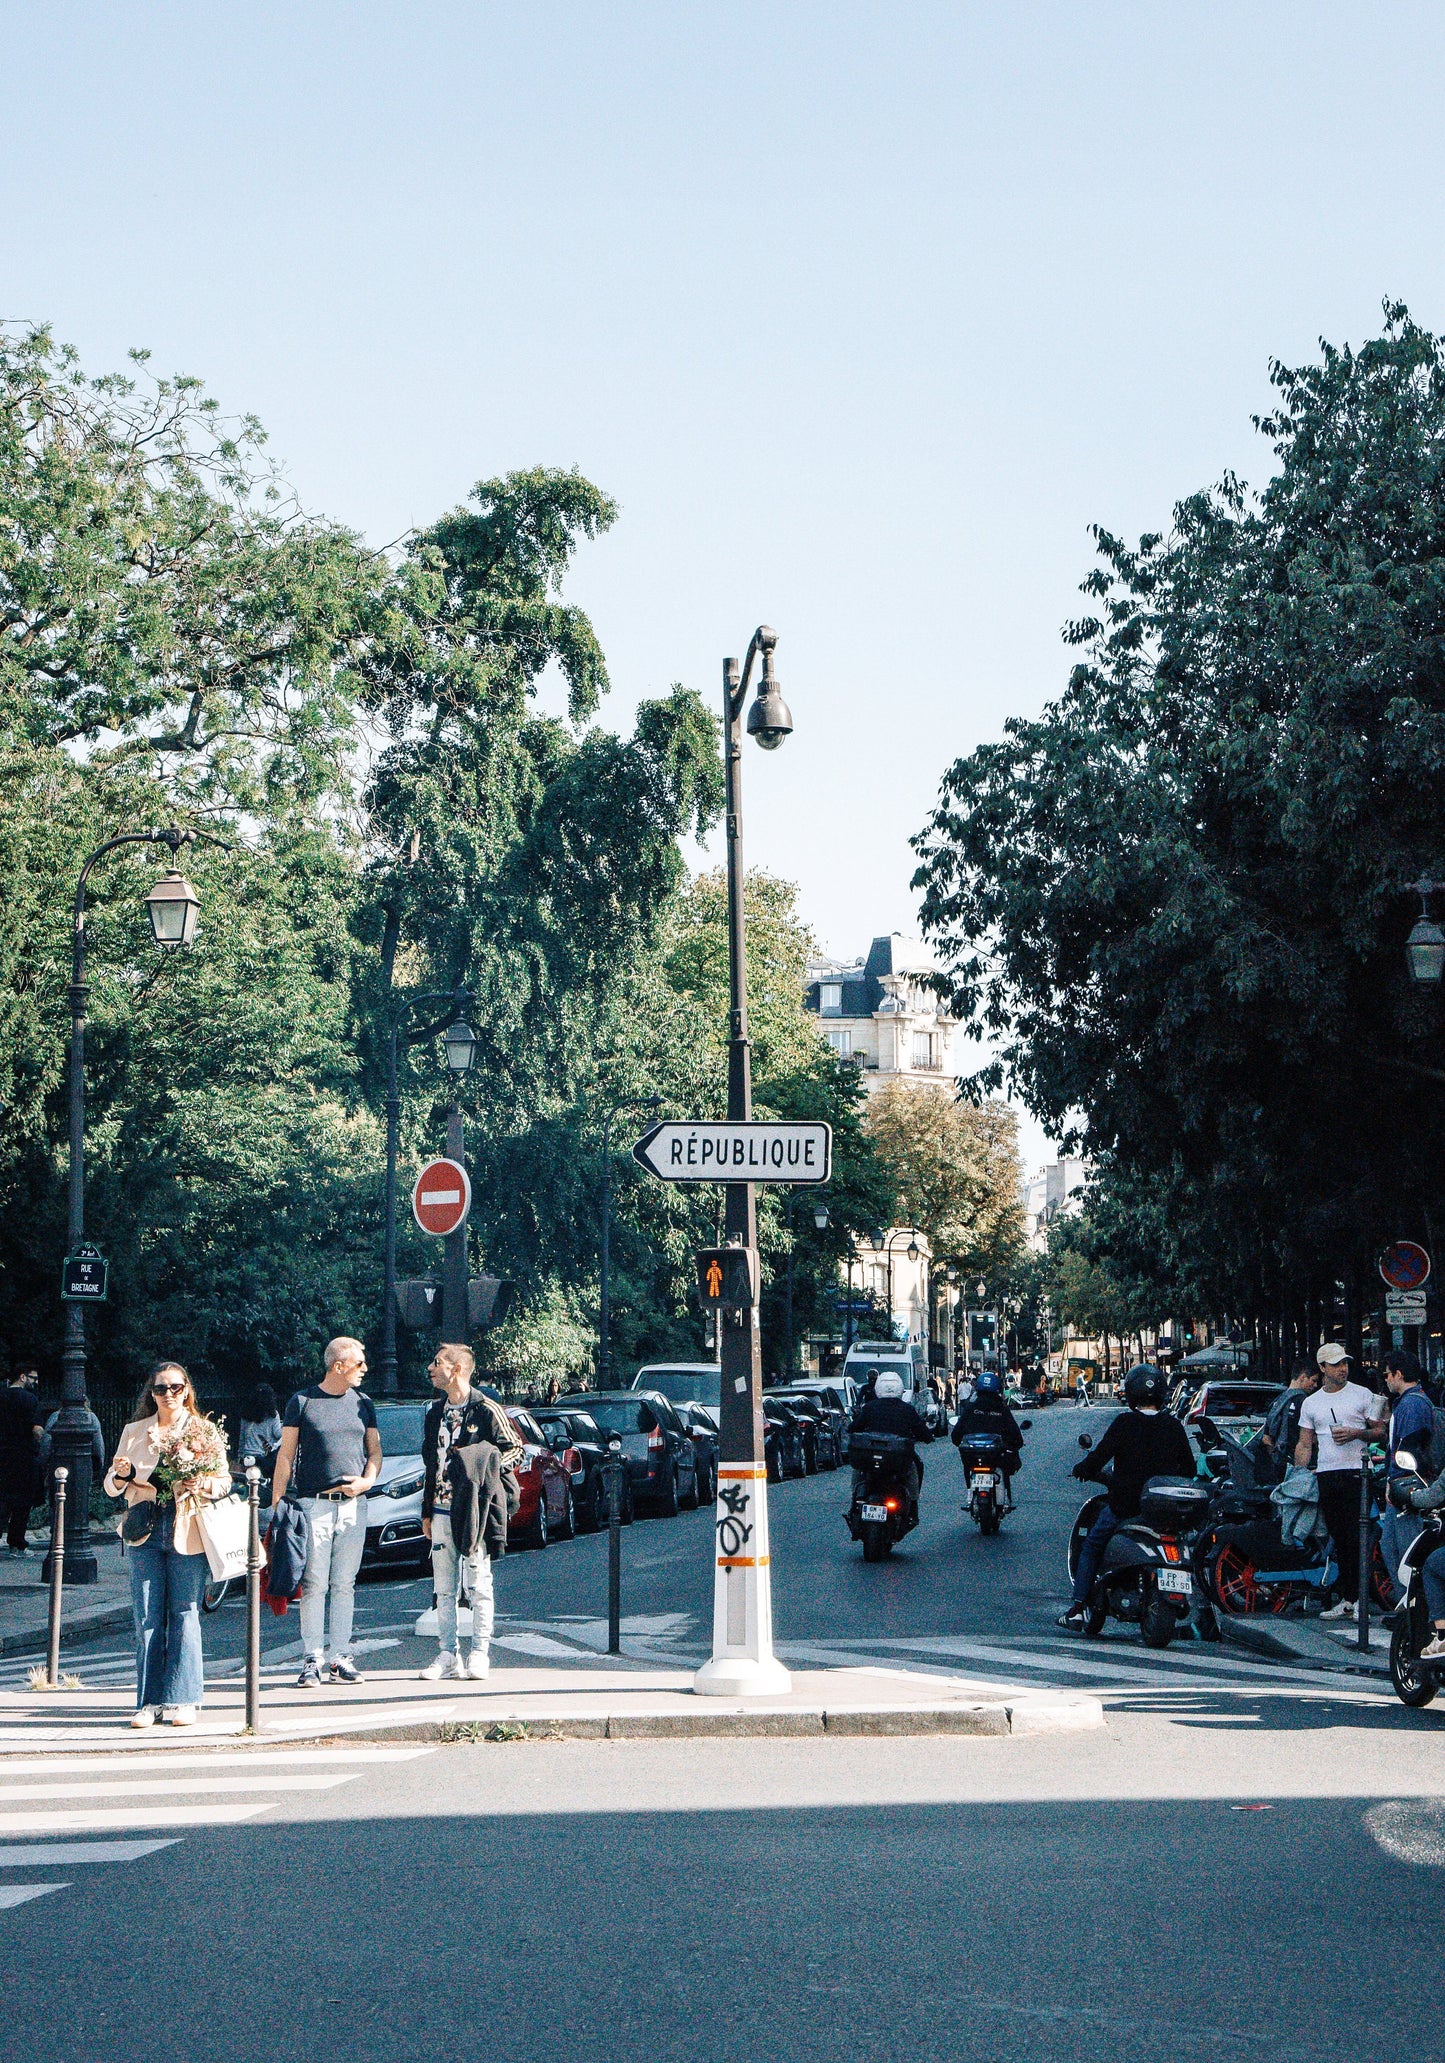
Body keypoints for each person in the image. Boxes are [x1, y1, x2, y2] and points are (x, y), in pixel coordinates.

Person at [105, 1361, 231, 1728]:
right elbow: (112, 1487)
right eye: (161, 1389)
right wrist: (121, 1475)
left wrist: (202, 1484)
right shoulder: (135, 1431)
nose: (169, 1395)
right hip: (144, 1530)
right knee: (146, 1615)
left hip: (187, 1528)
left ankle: (184, 1699)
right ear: (152, 1394)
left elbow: (223, 1482)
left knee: (184, 1612)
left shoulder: (203, 1430)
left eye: (176, 1387)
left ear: (187, 1390)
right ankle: (149, 1702)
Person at [272, 1336, 382, 1688]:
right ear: (338, 1366)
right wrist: (276, 1505)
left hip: (353, 1504)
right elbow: (285, 1455)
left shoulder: (363, 1403)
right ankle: (312, 1659)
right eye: (359, 1363)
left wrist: (366, 1482)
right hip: (313, 1504)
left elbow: (375, 1453)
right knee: (314, 1583)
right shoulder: (302, 1402)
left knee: (344, 1584)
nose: (365, 1369)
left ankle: (340, 1657)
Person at [1059, 1364, 1196, 1631]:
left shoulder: (1125, 1423)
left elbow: (1099, 1457)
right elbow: (1189, 1469)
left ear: (1131, 1394)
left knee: (1091, 1546)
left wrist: (1083, 1470)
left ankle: (1078, 1606)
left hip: (1125, 1507)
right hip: (1164, 1513)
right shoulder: (1173, 1426)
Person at [418, 1343, 524, 1683]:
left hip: (474, 1510)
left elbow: (516, 1450)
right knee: (443, 1587)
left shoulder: (486, 1409)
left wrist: (486, 1469)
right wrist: (425, 1511)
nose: (431, 1369)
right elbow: (430, 1465)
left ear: (457, 1369)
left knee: (478, 1583)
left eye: (438, 1363)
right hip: (440, 1509)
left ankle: (480, 1652)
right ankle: (448, 1653)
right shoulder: (434, 1413)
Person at [1294, 1341, 1376, 1619]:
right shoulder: (1311, 1403)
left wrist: (1356, 1433)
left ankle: (1360, 1598)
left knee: (1357, 1536)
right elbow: (1305, 1443)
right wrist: (1299, 1473)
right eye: (1336, 1364)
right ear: (1322, 1368)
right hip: (1327, 1473)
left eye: (1345, 1363)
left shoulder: (1362, 1394)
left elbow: (1380, 1430)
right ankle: (1348, 1597)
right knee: (1339, 1537)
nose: (1343, 1369)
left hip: (1357, 1470)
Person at [1376, 1348, 1436, 1607]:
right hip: (1405, 1486)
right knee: (1392, 1546)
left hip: (1407, 1488)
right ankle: (1407, 1605)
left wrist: (1394, 1482)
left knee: (1404, 1550)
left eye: (1388, 1375)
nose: (1386, 1380)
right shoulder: (1413, 1401)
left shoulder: (1412, 1404)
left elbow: (1407, 1449)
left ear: (1398, 1374)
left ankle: (1412, 1607)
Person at [850, 1371, 933, 1513]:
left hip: (874, 1455)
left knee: (859, 1468)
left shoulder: (870, 1408)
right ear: (900, 1389)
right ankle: (913, 1504)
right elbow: (922, 1432)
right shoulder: (907, 1409)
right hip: (897, 1458)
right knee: (915, 1466)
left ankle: (854, 1499)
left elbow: (853, 1428)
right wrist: (927, 1437)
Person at [951, 1369, 1024, 1502]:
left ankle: (970, 1490)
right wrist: (1015, 1444)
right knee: (1004, 1466)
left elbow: (956, 1434)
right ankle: (1006, 1497)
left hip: (973, 1455)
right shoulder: (1002, 1409)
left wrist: (959, 1441)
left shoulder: (971, 1408)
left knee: (967, 1463)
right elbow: (1015, 1435)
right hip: (995, 1457)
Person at [0, 1368, 43, 1557]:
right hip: (24, 1455)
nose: (36, 1383)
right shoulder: (30, 1400)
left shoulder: (2, 1397)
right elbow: (36, 1429)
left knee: (3, 1499)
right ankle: (16, 1544)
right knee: (22, 1503)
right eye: (33, 1378)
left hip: (3, 1454)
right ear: (23, 1376)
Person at [1257, 1361, 1320, 1485]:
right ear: (1302, 1377)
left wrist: (1275, 1456)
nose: (1315, 1385)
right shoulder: (1303, 1401)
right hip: (1297, 1462)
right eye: (1313, 1380)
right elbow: (1306, 1438)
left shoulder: (1278, 1400)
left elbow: (1266, 1437)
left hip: (1279, 1460)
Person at [237, 1384, 283, 1468]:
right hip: (263, 1458)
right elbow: (278, 1434)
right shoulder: (272, 1414)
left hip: (247, 1457)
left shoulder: (246, 1413)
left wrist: (240, 1456)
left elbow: (242, 1438)